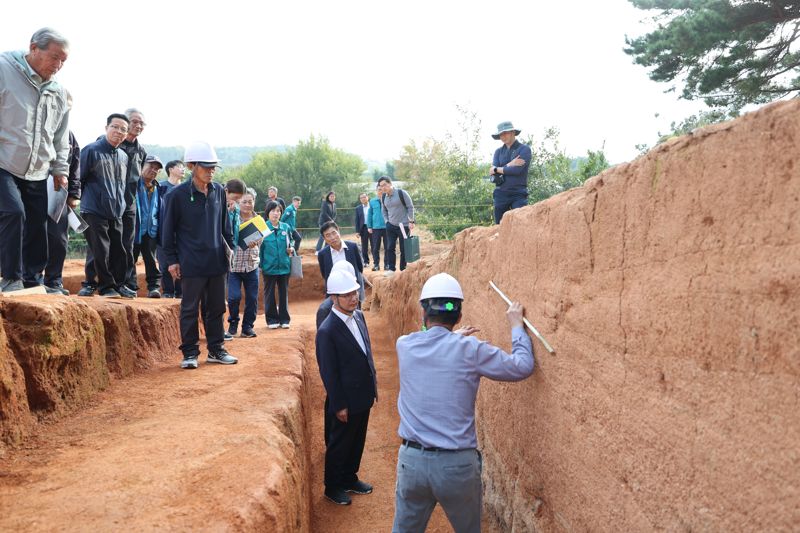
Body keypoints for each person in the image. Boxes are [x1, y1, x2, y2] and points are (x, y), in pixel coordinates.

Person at [391, 273, 535, 532]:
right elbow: (522, 366)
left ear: (423, 311)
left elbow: (431, 342)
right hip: (455, 467)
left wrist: (453, 336)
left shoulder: (405, 346)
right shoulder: (471, 350)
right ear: (458, 315)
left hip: (411, 462)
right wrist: (516, 326)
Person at [0, 28, 70, 293]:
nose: (58, 65)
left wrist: (60, 170)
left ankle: (32, 279)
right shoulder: (4, 69)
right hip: (4, 163)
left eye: (63, 61)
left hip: (38, 170)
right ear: (33, 48)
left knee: (38, 224)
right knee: (13, 212)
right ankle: (10, 278)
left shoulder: (59, 92)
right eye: (54, 57)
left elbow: (61, 137)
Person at [161, 141, 237, 370]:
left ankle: (216, 349)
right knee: (190, 309)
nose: (211, 171)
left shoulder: (218, 193)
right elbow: (167, 231)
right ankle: (190, 353)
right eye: (206, 167)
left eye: (213, 167)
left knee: (216, 308)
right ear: (191, 165)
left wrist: (230, 249)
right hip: (190, 263)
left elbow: (225, 227)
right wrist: (172, 260)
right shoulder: (176, 196)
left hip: (216, 262)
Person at [316, 269, 377, 506]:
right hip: (345, 399)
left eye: (355, 292)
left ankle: (350, 478)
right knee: (340, 443)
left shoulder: (359, 316)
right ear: (333, 297)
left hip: (363, 394)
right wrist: (339, 404)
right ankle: (333, 486)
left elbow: (366, 353)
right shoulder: (327, 331)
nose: (354, 298)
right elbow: (328, 372)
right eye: (347, 295)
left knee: (357, 439)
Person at [78, 114, 130, 298]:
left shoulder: (124, 156)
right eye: (115, 127)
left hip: (116, 210)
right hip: (94, 208)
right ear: (106, 127)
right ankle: (105, 286)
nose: (119, 132)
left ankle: (117, 284)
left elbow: (122, 185)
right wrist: (75, 199)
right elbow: (78, 178)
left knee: (119, 249)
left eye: (123, 129)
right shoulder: (91, 150)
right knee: (101, 249)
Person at [43, 126, 80, 295]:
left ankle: (53, 281)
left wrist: (74, 194)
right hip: (32, 190)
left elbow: (75, 167)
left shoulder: (69, 135)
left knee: (59, 240)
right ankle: (26, 279)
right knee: (27, 235)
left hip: (59, 193)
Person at [118, 108, 149, 298]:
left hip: (129, 204)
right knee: (102, 244)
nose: (138, 126)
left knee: (128, 245)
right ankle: (93, 282)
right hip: (108, 203)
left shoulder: (141, 151)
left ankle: (128, 283)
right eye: (134, 121)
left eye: (141, 123)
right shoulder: (110, 145)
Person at [227, 188, 261, 339]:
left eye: (250, 201)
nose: (247, 204)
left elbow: (261, 240)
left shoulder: (258, 220)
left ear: (254, 202)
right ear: (238, 202)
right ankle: (233, 323)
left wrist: (257, 242)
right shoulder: (231, 217)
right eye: (244, 202)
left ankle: (247, 327)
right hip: (234, 266)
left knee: (252, 299)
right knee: (234, 297)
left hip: (252, 265)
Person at [132, 155, 165, 298]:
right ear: (141, 166)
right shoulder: (132, 184)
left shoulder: (159, 188)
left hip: (151, 230)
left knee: (151, 259)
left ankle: (154, 287)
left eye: (157, 169)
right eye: (151, 166)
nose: (154, 170)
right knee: (129, 258)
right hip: (134, 229)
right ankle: (130, 286)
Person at [489, 121, 531, 224]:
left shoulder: (524, 149)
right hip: (501, 193)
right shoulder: (498, 152)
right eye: (501, 134)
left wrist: (496, 169)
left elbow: (516, 170)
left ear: (512, 132)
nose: (503, 136)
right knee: (499, 226)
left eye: (505, 133)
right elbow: (493, 174)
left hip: (518, 193)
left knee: (521, 223)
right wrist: (509, 164)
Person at [260, 200, 293, 329]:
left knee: (283, 293)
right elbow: (259, 249)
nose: (276, 213)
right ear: (268, 213)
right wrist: (262, 265)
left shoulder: (285, 227)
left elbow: (292, 241)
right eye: (273, 211)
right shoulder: (262, 228)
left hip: (284, 266)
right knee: (269, 294)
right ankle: (272, 319)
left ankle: (285, 319)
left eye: (278, 211)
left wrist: (292, 249)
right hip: (269, 267)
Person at [317, 221, 364, 302]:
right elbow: (325, 275)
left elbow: (360, 268)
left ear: (338, 231)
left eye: (334, 233)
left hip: (353, 290)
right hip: (335, 293)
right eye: (327, 235)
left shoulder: (353, 247)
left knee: (355, 313)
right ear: (324, 239)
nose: (332, 237)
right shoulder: (322, 254)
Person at [157, 160, 185, 298]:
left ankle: (180, 292)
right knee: (164, 264)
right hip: (163, 231)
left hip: (181, 234)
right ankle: (167, 291)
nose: (183, 169)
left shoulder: (186, 189)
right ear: (170, 169)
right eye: (180, 167)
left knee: (182, 263)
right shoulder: (160, 187)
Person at [378, 177, 415, 272]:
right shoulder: (383, 197)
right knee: (390, 247)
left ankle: (403, 269)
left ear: (390, 183)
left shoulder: (401, 193)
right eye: (381, 186)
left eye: (385, 185)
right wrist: (387, 221)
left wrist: (411, 221)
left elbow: (410, 207)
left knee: (403, 248)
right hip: (391, 226)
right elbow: (384, 210)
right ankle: (391, 268)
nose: (383, 188)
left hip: (403, 226)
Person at [316, 260, 358, 329]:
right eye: (346, 295)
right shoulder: (325, 310)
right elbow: (323, 335)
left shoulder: (354, 304)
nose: (353, 299)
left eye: (354, 292)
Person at [366, 183, 387, 271]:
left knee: (388, 247)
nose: (380, 191)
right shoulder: (372, 201)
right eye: (379, 189)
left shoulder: (388, 199)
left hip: (387, 227)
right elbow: (369, 214)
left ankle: (387, 265)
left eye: (381, 189)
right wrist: (369, 226)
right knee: (375, 248)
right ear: (376, 191)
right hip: (375, 228)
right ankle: (376, 265)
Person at [354, 193, 371, 268]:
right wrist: (357, 231)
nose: (363, 199)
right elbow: (357, 220)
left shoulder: (372, 206)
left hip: (373, 228)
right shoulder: (358, 208)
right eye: (361, 198)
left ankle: (376, 262)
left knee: (375, 245)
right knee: (364, 246)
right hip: (363, 228)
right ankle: (366, 261)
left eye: (364, 197)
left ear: (368, 197)